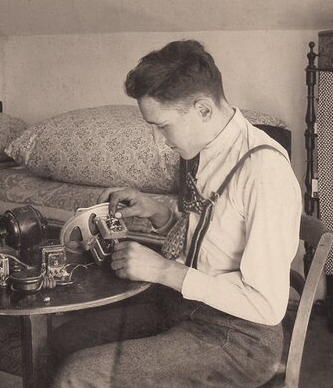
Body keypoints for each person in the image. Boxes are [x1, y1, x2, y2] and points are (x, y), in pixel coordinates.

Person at [51, 39, 302, 387]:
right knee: (64, 341)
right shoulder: (205, 149)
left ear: (203, 109)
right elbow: (212, 245)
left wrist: (164, 270)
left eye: (162, 126)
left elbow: (266, 305)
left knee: (80, 373)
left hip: (240, 338)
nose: (159, 139)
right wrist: (158, 213)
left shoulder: (264, 172)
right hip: (186, 309)